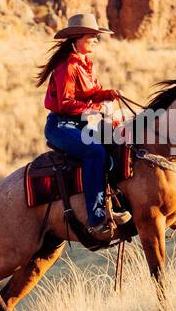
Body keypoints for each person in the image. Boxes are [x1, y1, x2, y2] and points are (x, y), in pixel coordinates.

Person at [36, 13, 132, 239]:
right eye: (92, 36)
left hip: (79, 122)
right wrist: (95, 107)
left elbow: (91, 92)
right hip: (61, 126)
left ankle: (115, 204)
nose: (96, 40)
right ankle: (96, 217)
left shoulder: (85, 63)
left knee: (118, 142)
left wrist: (107, 94)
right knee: (95, 151)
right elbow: (65, 103)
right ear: (77, 39)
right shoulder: (68, 66)